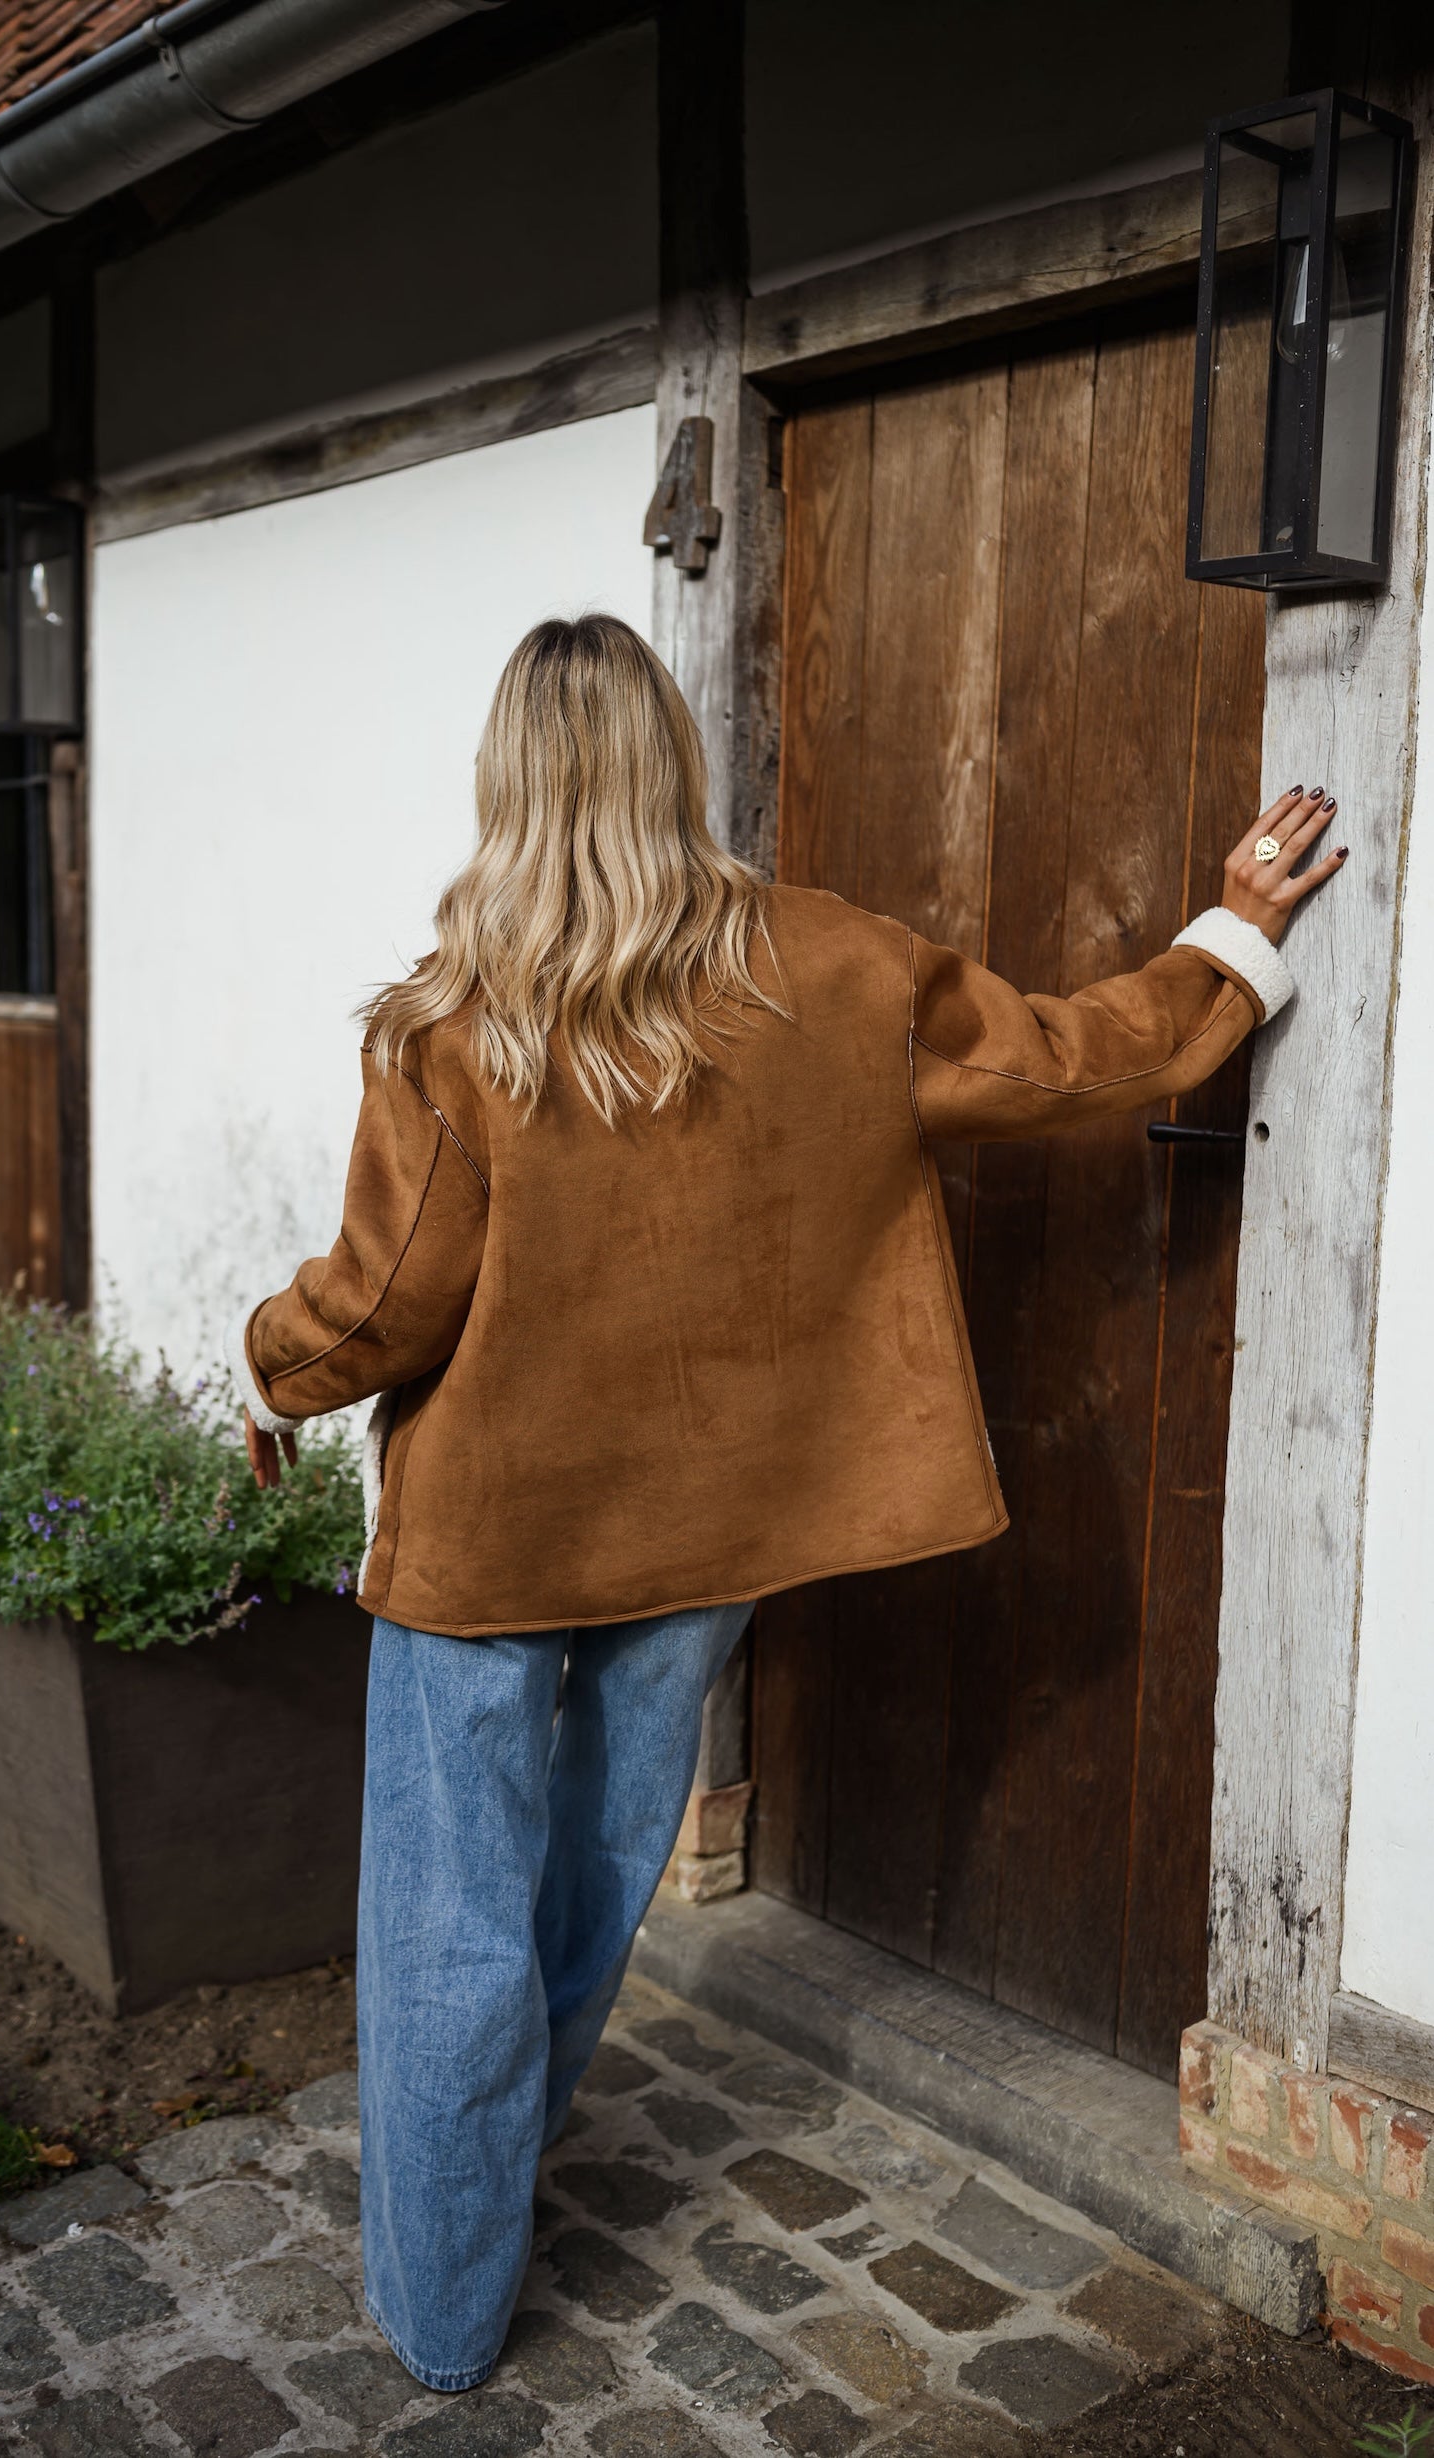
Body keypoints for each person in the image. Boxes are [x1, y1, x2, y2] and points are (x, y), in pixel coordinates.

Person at [227, 611, 1342, 2393]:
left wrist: (274, 1365)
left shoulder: (450, 1020)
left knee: (452, 1910)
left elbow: (389, 1302)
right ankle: (494, 2188)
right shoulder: (835, 969)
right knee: (595, 1878)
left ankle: (442, 2307)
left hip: (491, 1537)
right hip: (709, 1529)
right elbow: (1070, 1055)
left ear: (504, 783)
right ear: (675, 762)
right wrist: (1232, 936)